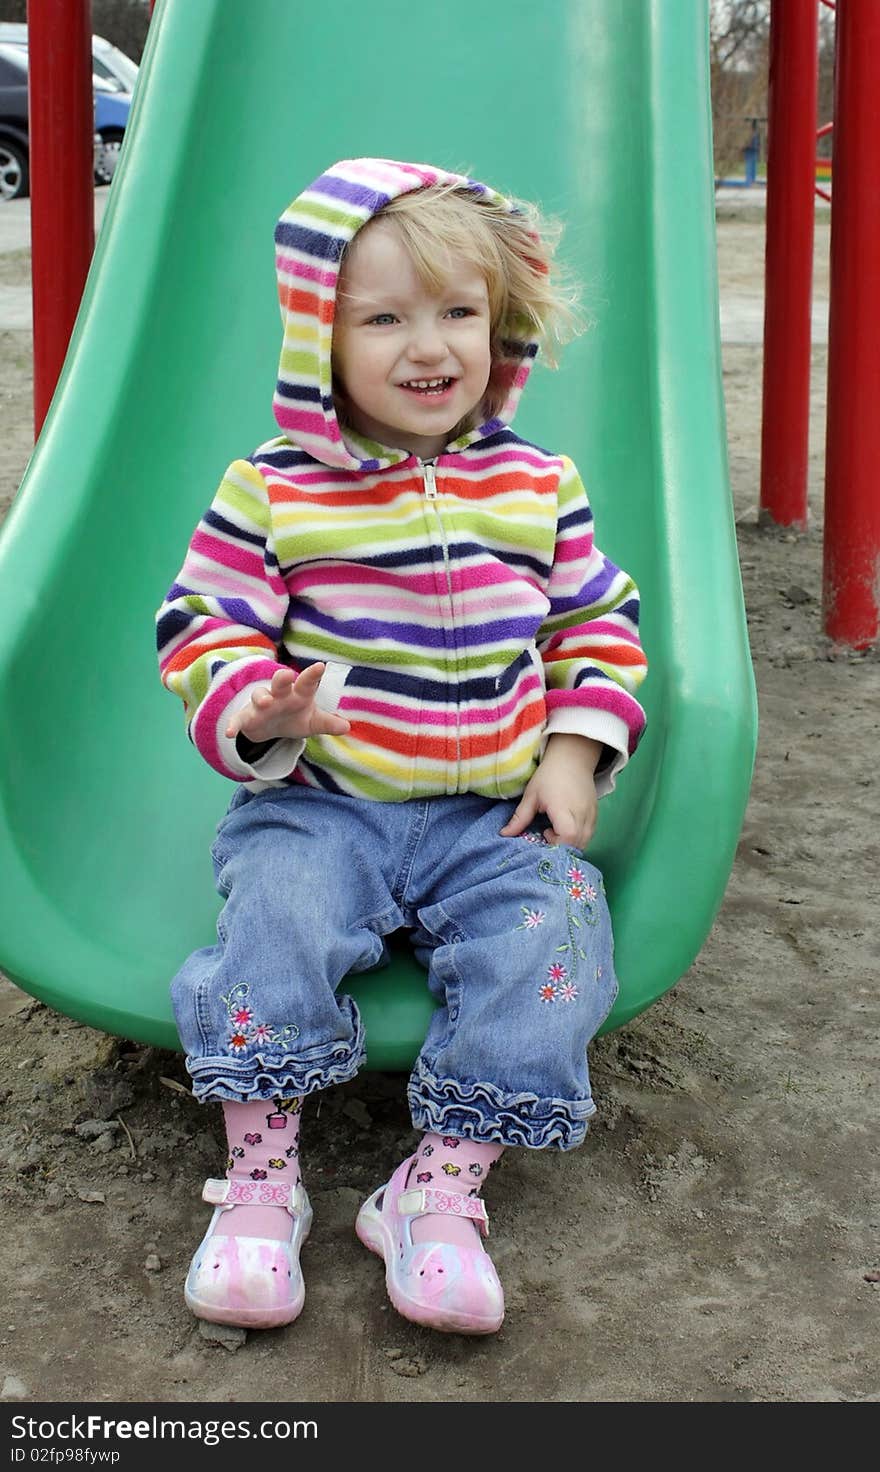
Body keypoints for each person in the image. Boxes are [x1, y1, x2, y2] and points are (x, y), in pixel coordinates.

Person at [156, 157, 647, 1336]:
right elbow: (200, 621)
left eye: (457, 312)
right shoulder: (273, 489)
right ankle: (262, 1181)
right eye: (383, 317)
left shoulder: (538, 483)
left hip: (492, 815)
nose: (428, 346)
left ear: (501, 325)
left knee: (560, 941)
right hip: (325, 803)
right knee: (273, 920)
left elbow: (596, 620)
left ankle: (433, 1188)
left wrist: (573, 749)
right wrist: (260, 708)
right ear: (320, 338)